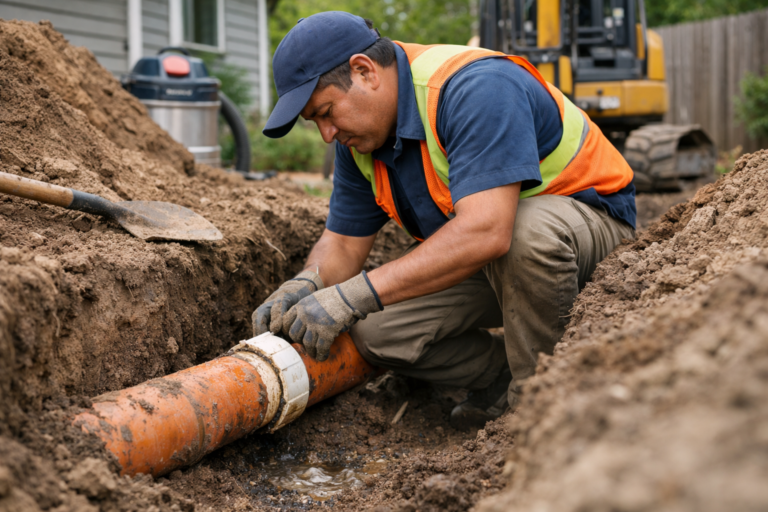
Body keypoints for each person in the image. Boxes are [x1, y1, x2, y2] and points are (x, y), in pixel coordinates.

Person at [253, 11, 636, 430]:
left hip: (590, 237)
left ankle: (542, 404)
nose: (327, 134)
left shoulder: (475, 87)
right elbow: (343, 243)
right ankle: (501, 376)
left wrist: (352, 296)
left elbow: (488, 231)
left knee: (526, 233)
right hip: (500, 260)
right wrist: (309, 281)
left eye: (326, 112)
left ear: (364, 72)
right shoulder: (360, 142)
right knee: (375, 331)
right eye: (316, 122)